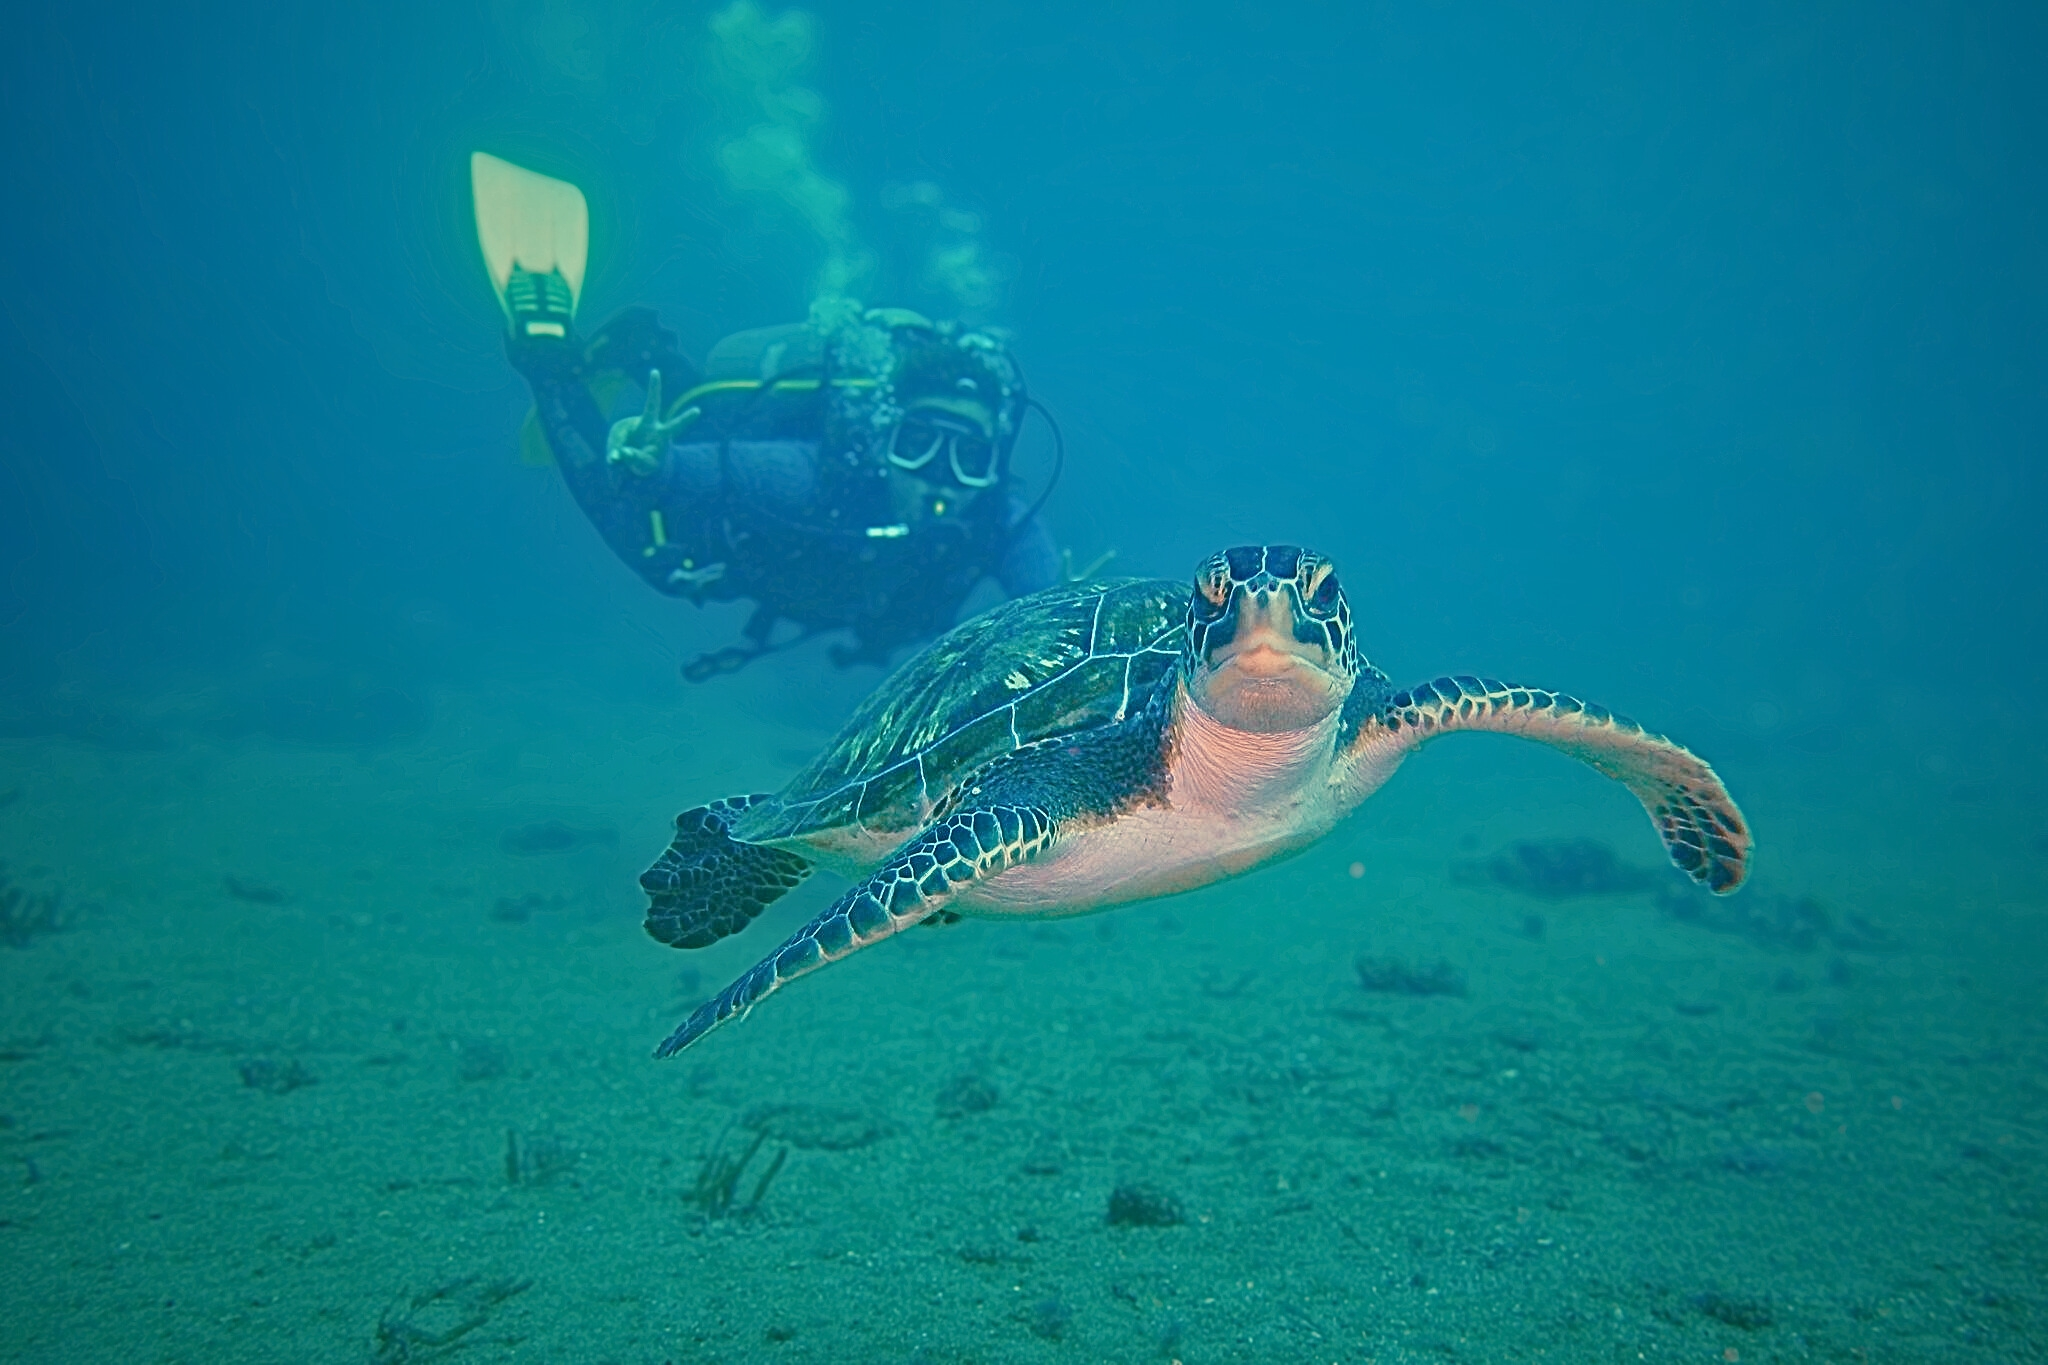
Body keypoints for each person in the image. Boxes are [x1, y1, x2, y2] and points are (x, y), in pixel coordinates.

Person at [472, 152, 1063, 680]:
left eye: (969, 457)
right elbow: (673, 471)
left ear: (993, 470)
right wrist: (649, 461)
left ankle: (647, 350)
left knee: (702, 413)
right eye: (919, 442)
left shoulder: (1002, 525)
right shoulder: (811, 475)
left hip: (799, 580)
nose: (938, 473)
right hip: (735, 522)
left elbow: (1056, 616)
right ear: (885, 439)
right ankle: (546, 347)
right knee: (634, 510)